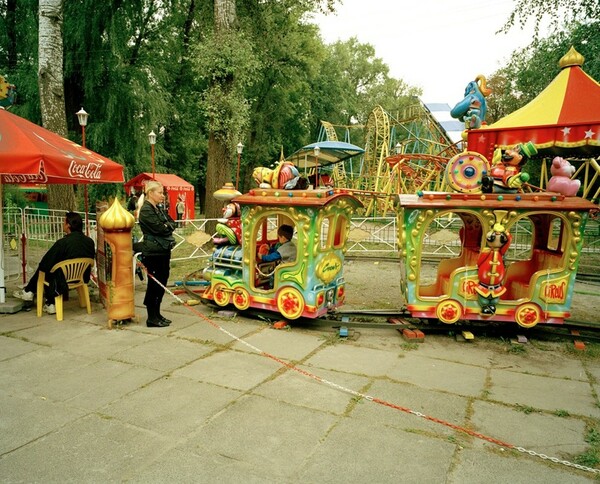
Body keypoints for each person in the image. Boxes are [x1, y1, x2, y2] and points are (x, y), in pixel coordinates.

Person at [13, 212, 95, 315]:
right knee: (53, 267)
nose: (62, 224)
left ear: (68, 225)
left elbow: (45, 263)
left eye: (63, 222)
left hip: (62, 279)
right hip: (82, 277)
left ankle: (39, 297)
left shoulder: (62, 243)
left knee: (46, 269)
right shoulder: (90, 241)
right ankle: (35, 295)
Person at [137, 180, 177, 328]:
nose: (162, 196)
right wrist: (166, 226)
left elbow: (172, 223)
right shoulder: (147, 210)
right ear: (150, 193)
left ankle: (157, 313)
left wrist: (167, 226)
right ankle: (151, 317)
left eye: (162, 193)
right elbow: (161, 229)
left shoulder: (158, 208)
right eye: (160, 193)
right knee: (154, 284)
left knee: (162, 282)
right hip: (153, 253)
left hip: (162, 250)